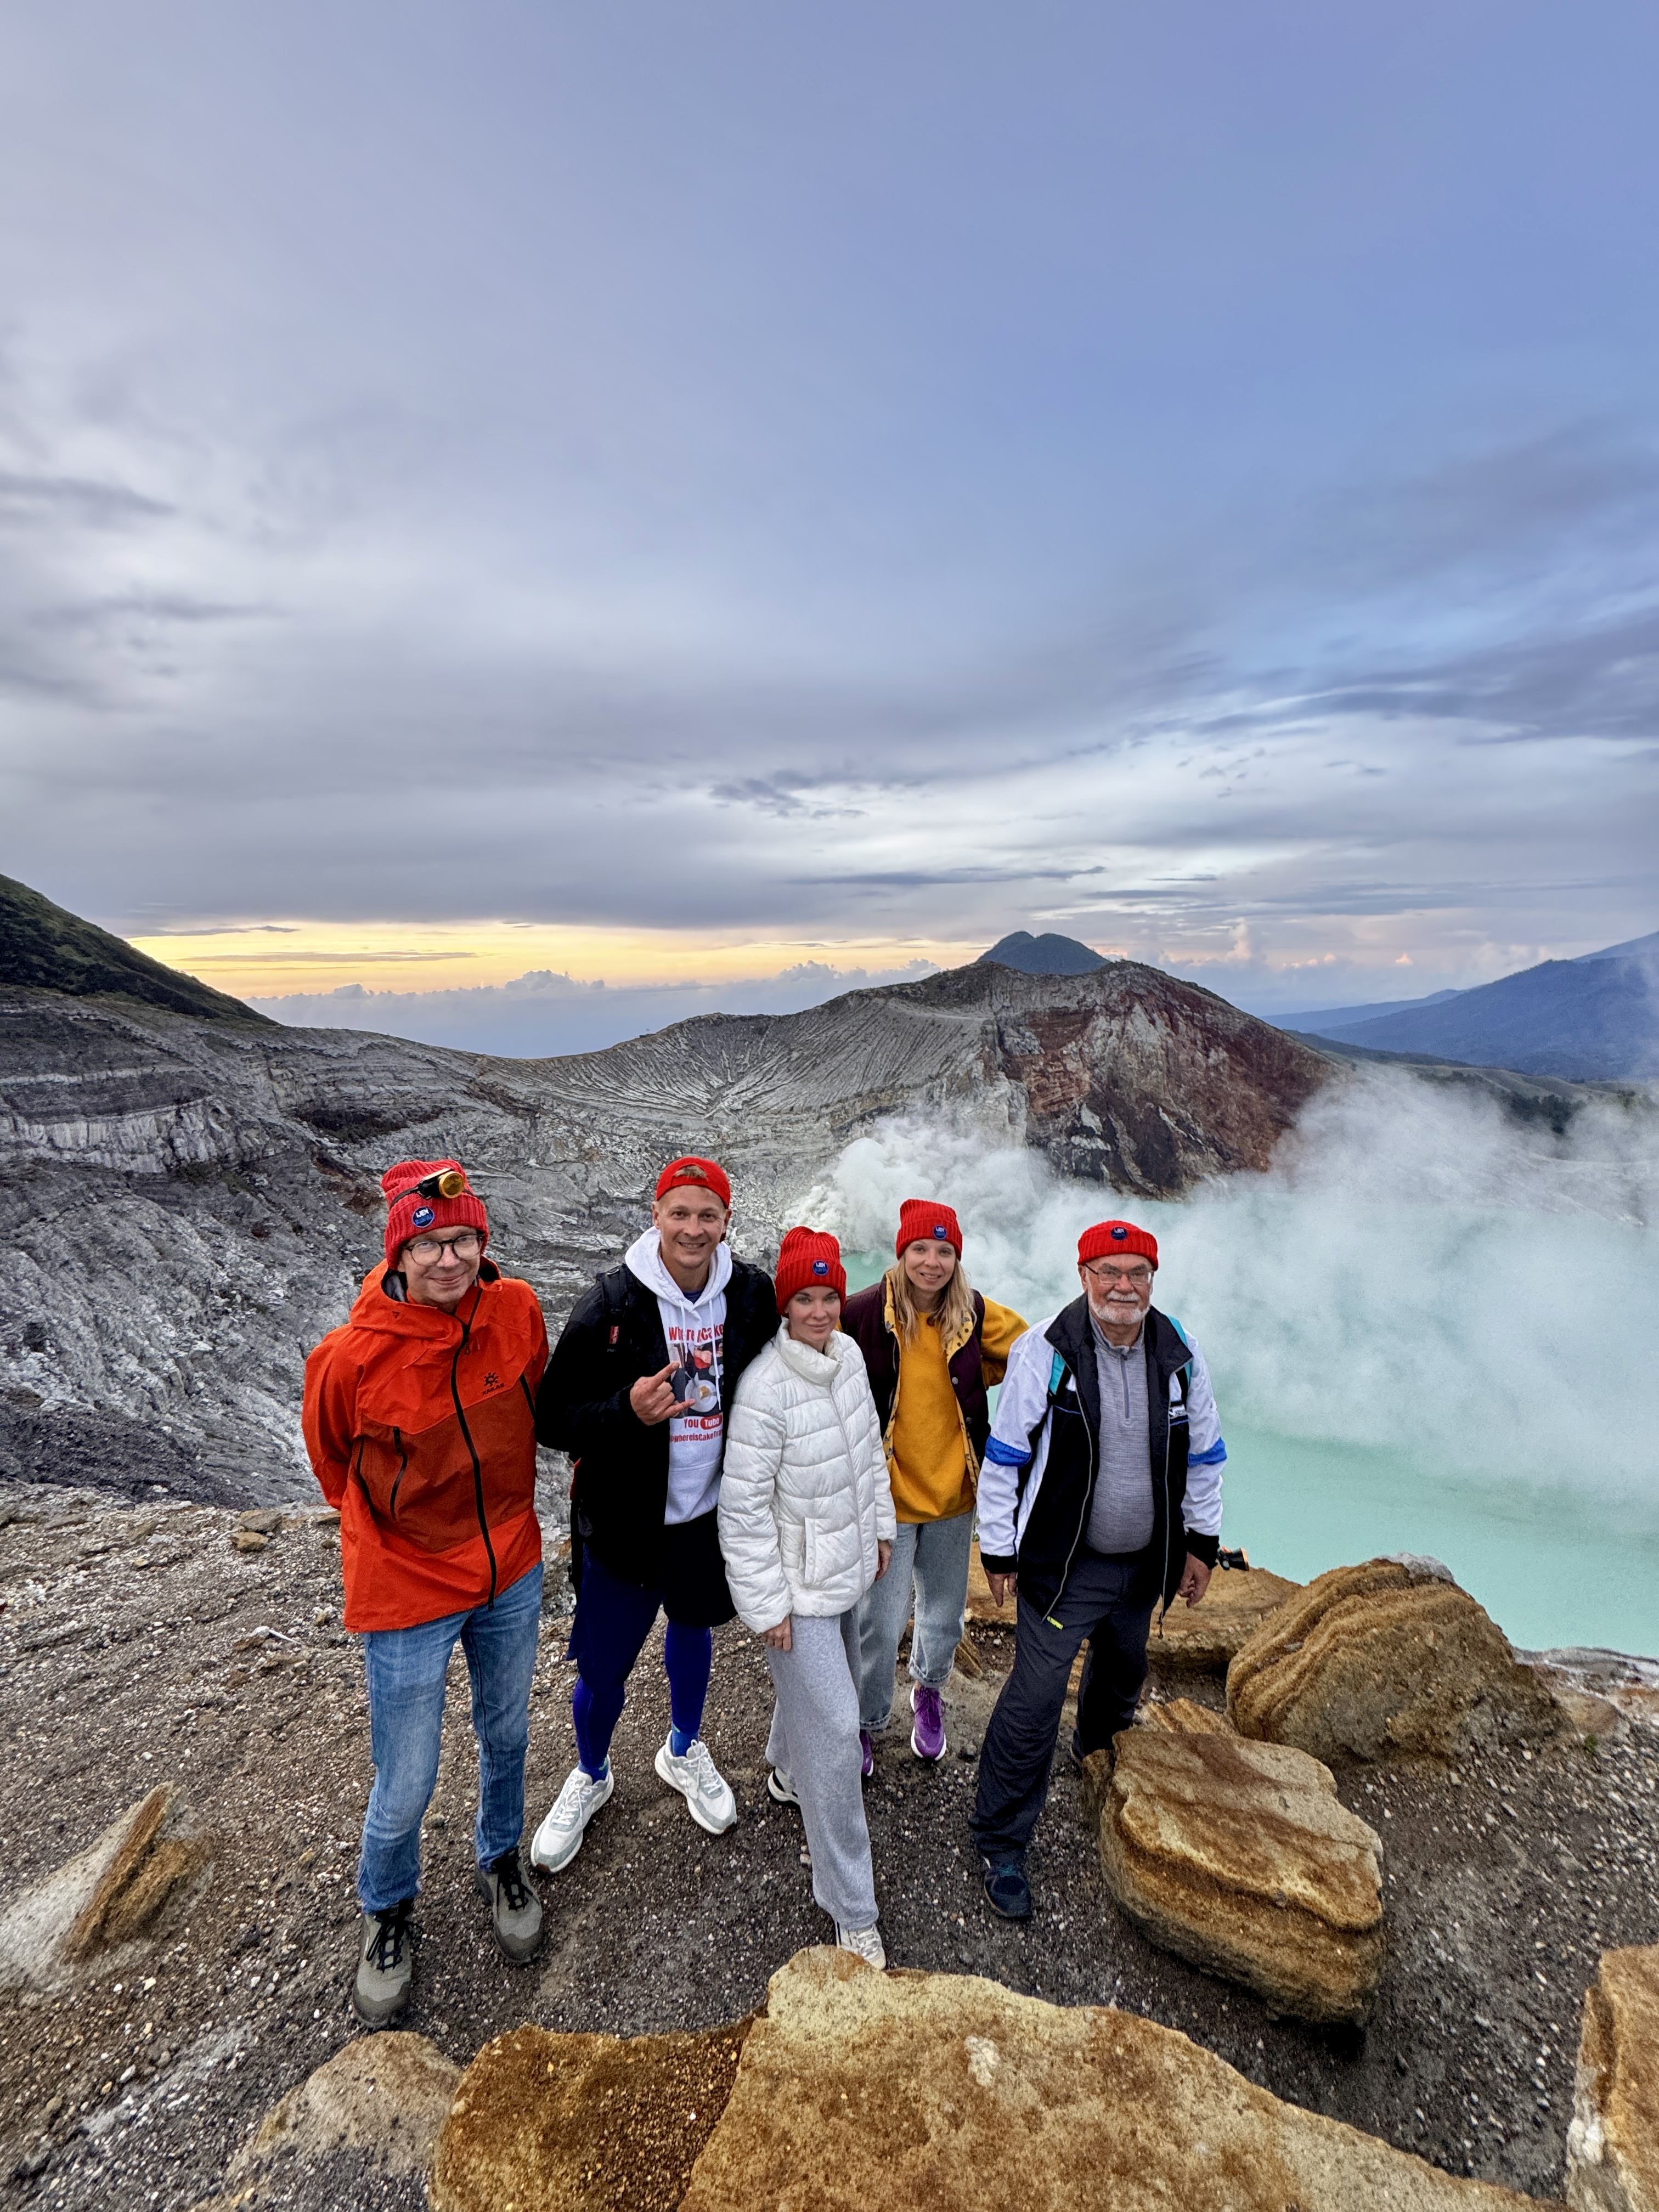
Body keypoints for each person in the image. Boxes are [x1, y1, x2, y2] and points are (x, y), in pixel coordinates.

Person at [302, 1158, 549, 2024]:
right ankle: (389, 1909)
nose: (449, 1259)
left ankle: (501, 1857)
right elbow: (334, 1465)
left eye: (465, 1240)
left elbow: (538, 1407)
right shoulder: (349, 1359)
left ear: (485, 1245)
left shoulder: (516, 1309)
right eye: (431, 1242)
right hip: (408, 1585)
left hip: (511, 1564)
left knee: (508, 1731)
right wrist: (398, 1539)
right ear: (399, 1251)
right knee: (405, 1777)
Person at [968, 1218, 1225, 1921]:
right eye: (1108, 1272)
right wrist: (999, 1550)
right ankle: (1001, 1841)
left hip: (1143, 1565)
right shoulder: (1047, 1351)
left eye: (1136, 1273)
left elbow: (1204, 1455)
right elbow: (1007, 1456)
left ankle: (1100, 1760)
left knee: (1121, 1669)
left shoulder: (1178, 1353)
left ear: (1152, 1280)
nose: (1123, 1286)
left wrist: (1200, 1545)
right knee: (1036, 1694)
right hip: (1065, 1563)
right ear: (1084, 1277)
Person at [531, 1156, 777, 1871]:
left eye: (707, 1215)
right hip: (623, 1522)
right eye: (681, 1213)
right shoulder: (611, 1304)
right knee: (604, 1669)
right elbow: (554, 1417)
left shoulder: (751, 1294)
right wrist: (626, 1411)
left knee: (693, 1632)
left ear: (727, 1221)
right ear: (656, 1214)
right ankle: (591, 1773)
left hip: (705, 1519)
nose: (693, 1229)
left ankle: (681, 1749)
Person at [719, 1228, 896, 1969]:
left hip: (846, 1564)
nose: (821, 1310)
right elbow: (744, 1510)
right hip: (798, 1590)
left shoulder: (850, 1357)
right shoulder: (765, 1390)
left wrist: (881, 1527)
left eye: (829, 1295)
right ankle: (852, 1908)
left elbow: (867, 1451)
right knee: (839, 1732)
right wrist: (768, 1609)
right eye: (805, 1298)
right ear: (785, 1304)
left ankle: (784, 1769)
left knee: (830, 1705)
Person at [840, 1199, 1026, 1768]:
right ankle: (867, 1721)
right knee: (881, 1620)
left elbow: (1031, 1352)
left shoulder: (971, 1314)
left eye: (944, 1251)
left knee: (944, 1615)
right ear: (902, 1252)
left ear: (956, 1258)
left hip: (953, 1500)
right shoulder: (864, 1314)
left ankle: (928, 1692)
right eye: (920, 1249)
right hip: (887, 1501)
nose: (932, 1262)